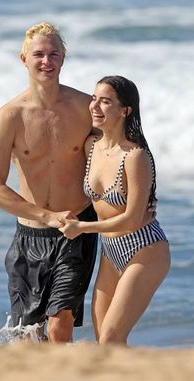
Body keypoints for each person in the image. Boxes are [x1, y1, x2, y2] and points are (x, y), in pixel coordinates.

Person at [0, 22, 98, 343]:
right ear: (24, 59)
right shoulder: (10, 116)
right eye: (38, 55)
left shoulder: (86, 108)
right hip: (30, 236)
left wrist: (141, 195)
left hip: (76, 227)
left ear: (63, 59)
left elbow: (125, 149)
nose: (46, 61)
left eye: (54, 54)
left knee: (60, 324)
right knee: (28, 337)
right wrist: (46, 216)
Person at [59, 75, 171, 345]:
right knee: (106, 343)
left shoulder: (135, 157)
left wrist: (82, 228)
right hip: (110, 253)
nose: (95, 107)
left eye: (105, 101)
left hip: (145, 249)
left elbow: (132, 219)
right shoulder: (91, 146)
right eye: (94, 99)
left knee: (111, 337)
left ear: (125, 110)